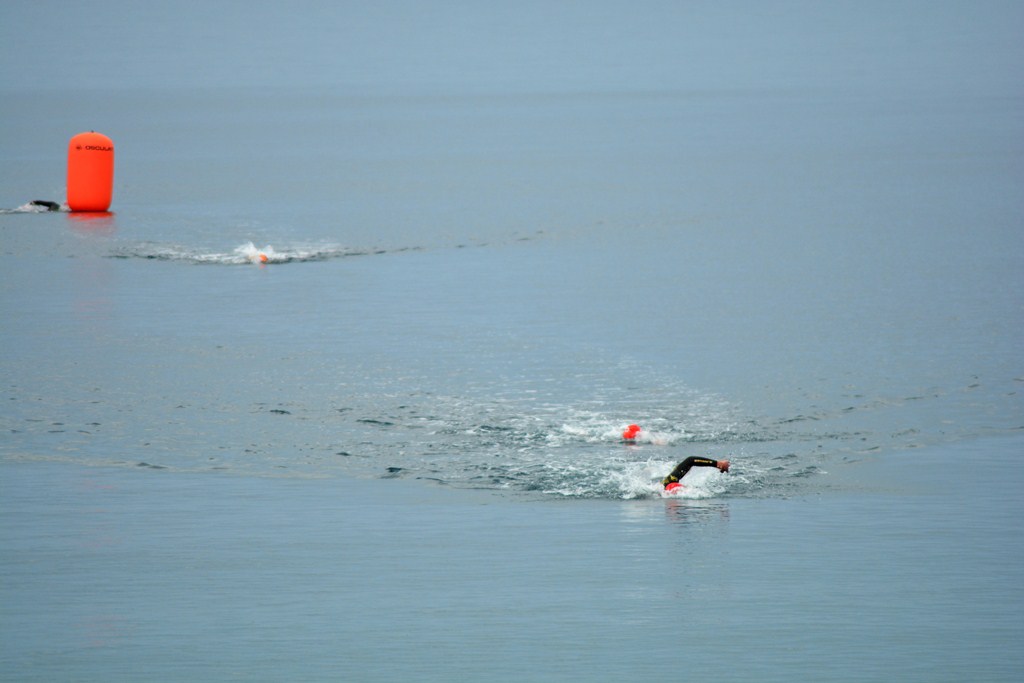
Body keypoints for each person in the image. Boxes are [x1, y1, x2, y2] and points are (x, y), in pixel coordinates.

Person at [662, 456, 730, 490]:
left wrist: (717, 464)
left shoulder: (666, 483)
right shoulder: (668, 484)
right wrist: (717, 464)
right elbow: (690, 460)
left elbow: (690, 460)